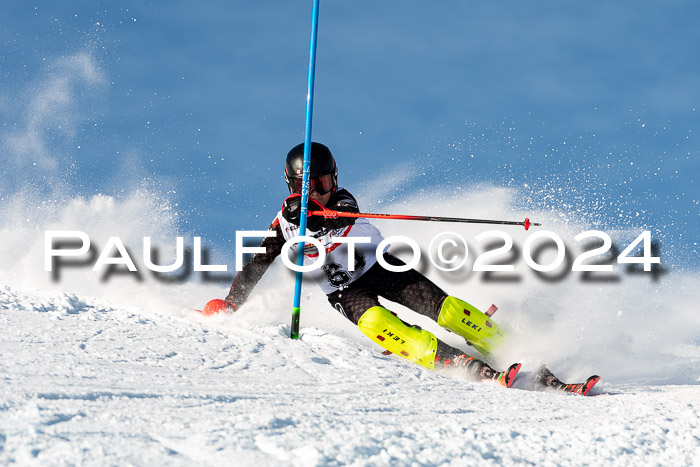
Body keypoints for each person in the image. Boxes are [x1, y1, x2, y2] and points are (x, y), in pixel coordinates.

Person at [204, 142, 521, 387]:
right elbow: (256, 265)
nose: (318, 193)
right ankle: (447, 359)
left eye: (323, 184)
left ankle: (503, 341)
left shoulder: (342, 202)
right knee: (376, 324)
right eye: (308, 187)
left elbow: (343, 212)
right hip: (344, 290)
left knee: (447, 311)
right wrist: (232, 302)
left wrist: (317, 217)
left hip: (381, 267)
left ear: (334, 180)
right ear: (293, 187)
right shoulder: (285, 224)